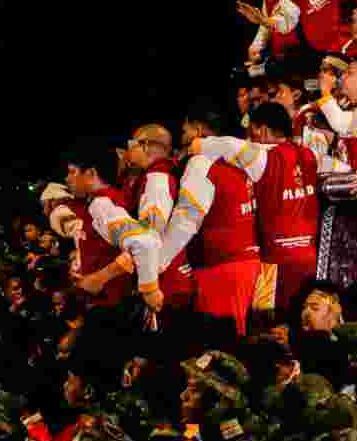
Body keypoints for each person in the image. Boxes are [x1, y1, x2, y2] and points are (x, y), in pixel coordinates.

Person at [188, 103, 335, 324]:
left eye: (252, 132)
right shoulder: (311, 154)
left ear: (262, 130)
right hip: (309, 258)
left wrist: (198, 144)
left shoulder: (260, 157)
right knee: (304, 323)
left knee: (270, 326)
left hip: (275, 263)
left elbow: (214, 145)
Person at [160, 105, 261, 340]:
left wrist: (157, 264)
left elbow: (186, 220)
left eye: (185, 130)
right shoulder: (244, 158)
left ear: (197, 130)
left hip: (221, 270)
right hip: (251, 264)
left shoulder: (201, 162)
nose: (182, 136)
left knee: (221, 350)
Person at [64, 147, 163, 314]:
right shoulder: (102, 201)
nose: (67, 179)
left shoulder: (101, 204)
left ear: (90, 173)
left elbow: (143, 243)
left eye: (72, 172)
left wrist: (99, 278)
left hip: (114, 309)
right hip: (113, 304)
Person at [124, 124, 195, 311]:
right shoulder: (167, 172)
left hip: (165, 283)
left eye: (132, 144)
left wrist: (148, 285)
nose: (128, 151)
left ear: (146, 145)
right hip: (172, 276)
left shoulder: (157, 178)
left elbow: (151, 233)